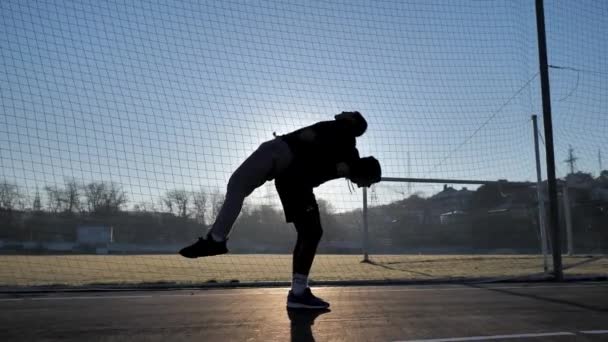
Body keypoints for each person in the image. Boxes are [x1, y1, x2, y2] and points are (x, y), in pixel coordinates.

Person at [179, 111, 382, 309]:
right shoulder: (344, 137)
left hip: (289, 177)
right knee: (309, 232)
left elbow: (319, 150)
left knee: (308, 232)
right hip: (281, 159)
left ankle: (297, 292)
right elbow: (325, 138)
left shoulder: (344, 149)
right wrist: (318, 138)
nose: (366, 187)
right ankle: (296, 291)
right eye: (368, 182)